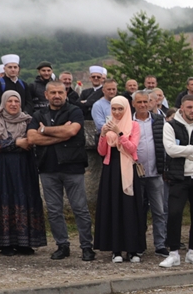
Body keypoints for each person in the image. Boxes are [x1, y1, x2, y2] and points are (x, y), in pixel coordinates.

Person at [27, 81, 94, 261]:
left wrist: (44, 130)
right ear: (46, 95)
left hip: (73, 167)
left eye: (60, 92)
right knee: (54, 210)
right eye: (53, 92)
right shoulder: (38, 114)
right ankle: (62, 245)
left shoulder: (75, 111)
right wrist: (60, 133)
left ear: (65, 94)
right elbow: (32, 138)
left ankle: (87, 246)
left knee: (80, 209)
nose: (57, 96)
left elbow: (72, 132)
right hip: (47, 168)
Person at [0, 91, 46, 256]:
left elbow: (31, 141)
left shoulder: (28, 121)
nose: (13, 104)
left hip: (24, 167)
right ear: (3, 103)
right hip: (0, 168)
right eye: (9, 101)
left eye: (16, 101)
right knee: (4, 199)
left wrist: (8, 145)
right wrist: (17, 142)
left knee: (24, 199)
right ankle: (5, 243)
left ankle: (24, 242)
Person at [94, 96, 146, 263]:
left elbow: (132, 148)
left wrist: (120, 133)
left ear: (126, 109)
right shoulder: (107, 126)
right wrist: (103, 135)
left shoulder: (134, 125)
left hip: (128, 169)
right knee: (113, 207)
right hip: (111, 171)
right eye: (114, 109)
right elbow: (102, 152)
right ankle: (115, 249)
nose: (116, 112)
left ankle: (133, 250)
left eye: (120, 109)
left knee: (130, 208)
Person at [160, 94, 193, 268]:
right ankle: (173, 253)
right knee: (174, 214)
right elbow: (170, 150)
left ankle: (192, 252)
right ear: (182, 108)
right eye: (189, 107)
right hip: (178, 178)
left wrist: (184, 152)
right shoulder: (170, 126)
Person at [130, 91, 169, 256]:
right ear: (133, 104)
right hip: (135, 173)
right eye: (139, 102)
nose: (143, 105)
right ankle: (139, 244)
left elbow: (165, 144)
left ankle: (160, 244)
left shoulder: (159, 120)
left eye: (145, 102)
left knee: (159, 210)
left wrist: (165, 167)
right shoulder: (128, 121)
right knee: (138, 211)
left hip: (156, 172)